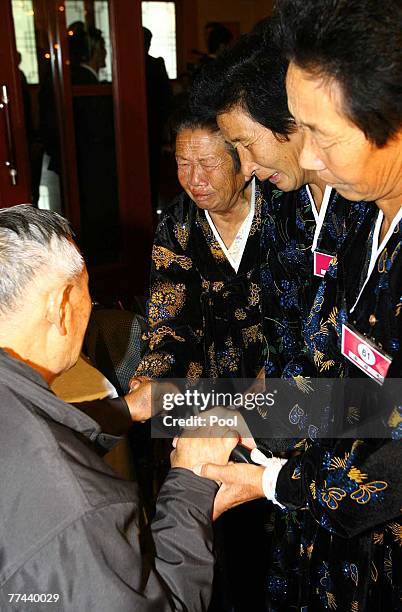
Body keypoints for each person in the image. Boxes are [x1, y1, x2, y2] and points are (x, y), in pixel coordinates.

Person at [196, 2, 402, 609]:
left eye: (320, 134)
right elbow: (351, 386)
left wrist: (273, 480)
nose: (305, 157)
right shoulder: (368, 216)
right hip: (329, 533)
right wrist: (252, 417)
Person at [0, 204, 239, 611]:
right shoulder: (78, 507)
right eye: (88, 291)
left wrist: (129, 408)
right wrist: (191, 482)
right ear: (61, 308)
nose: (91, 307)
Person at [134, 106, 265, 381]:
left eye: (207, 164)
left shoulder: (282, 214)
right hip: (209, 391)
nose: (194, 180)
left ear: (244, 162)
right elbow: (171, 319)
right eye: (183, 163)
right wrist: (154, 378)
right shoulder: (178, 224)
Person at [143, 27, 173, 215]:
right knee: (152, 170)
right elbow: (167, 96)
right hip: (153, 124)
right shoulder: (155, 64)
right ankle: (151, 206)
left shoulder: (128, 64)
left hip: (143, 125)